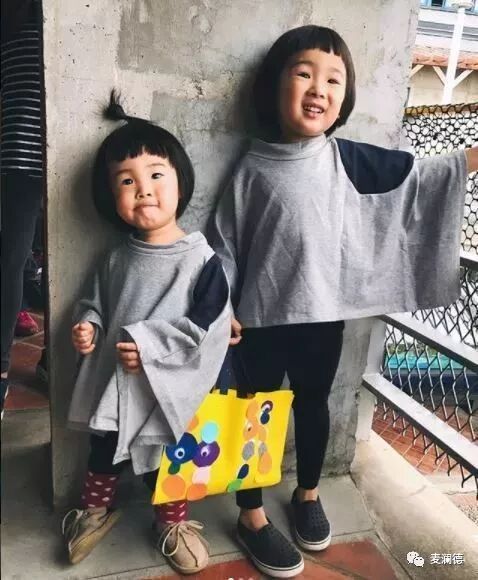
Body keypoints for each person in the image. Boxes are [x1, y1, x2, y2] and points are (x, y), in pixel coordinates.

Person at [211, 25, 477, 578]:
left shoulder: (347, 160)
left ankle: (307, 494)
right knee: (253, 417)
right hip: (258, 321)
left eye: (334, 79)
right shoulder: (249, 168)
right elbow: (225, 244)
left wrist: (470, 158)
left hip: (322, 317)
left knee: (315, 406)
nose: (319, 88)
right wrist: (224, 308)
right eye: (304, 73)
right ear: (275, 86)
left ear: (345, 98)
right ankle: (251, 515)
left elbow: (422, 178)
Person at [62, 91, 231, 575]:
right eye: (126, 180)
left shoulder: (201, 260)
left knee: (168, 458)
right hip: (116, 385)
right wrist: (89, 326)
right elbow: (95, 301)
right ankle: (96, 510)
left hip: (165, 389)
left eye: (156, 174)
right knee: (103, 449)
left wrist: (151, 348)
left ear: (180, 181)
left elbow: (208, 326)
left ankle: (172, 523)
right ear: (110, 196)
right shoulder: (116, 258)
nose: (143, 189)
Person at [1, 0, 44, 417]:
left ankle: (51, 363)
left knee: (15, 261)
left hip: (54, 149)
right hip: (19, 154)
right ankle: (2, 372)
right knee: (12, 261)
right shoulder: (14, 18)